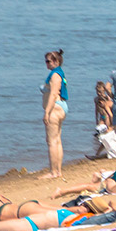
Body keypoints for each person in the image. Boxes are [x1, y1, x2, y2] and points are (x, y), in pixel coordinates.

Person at [41, 49, 67, 180]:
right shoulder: (58, 74)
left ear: (56, 61)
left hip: (54, 109)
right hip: (60, 108)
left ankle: (54, 172)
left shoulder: (55, 75)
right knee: (57, 140)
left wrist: (47, 112)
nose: (46, 64)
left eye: (48, 61)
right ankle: (58, 170)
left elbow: (53, 94)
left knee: (52, 141)